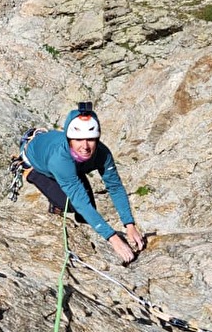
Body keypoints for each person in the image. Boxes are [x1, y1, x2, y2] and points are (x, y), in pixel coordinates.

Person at [22, 103, 147, 264]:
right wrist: (113, 238)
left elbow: (115, 187)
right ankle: (31, 174)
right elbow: (81, 202)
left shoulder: (102, 153)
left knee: (87, 214)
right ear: (69, 139)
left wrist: (129, 224)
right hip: (37, 158)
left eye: (91, 139)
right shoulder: (59, 160)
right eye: (79, 139)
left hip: (72, 164)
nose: (85, 146)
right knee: (75, 205)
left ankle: (62, 202)